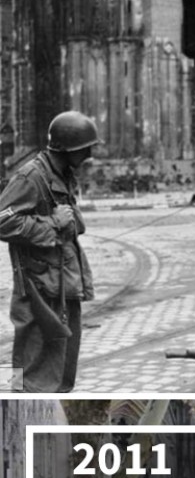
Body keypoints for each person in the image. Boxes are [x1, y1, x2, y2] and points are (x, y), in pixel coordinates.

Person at [0, 111, 98, 392]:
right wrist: (53, 223)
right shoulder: (31, 176)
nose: (89, 154)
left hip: (62, 284)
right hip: (37, 288)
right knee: (29, 370)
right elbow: (3, 221)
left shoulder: (61, 174)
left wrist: (71, 220)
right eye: (85, 148)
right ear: (69, 148)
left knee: (60, 367)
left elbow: (71, 221)